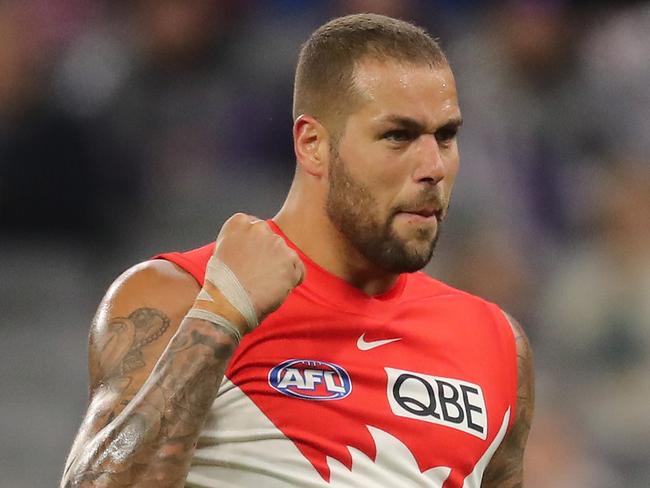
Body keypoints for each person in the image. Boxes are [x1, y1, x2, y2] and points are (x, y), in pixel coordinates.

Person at [61, 13, 534, 488]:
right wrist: (219, 318)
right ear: (312, 145)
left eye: (446, 137)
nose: (434, 166)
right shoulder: (176, 297)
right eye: (398, 136)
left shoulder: (496, 345)